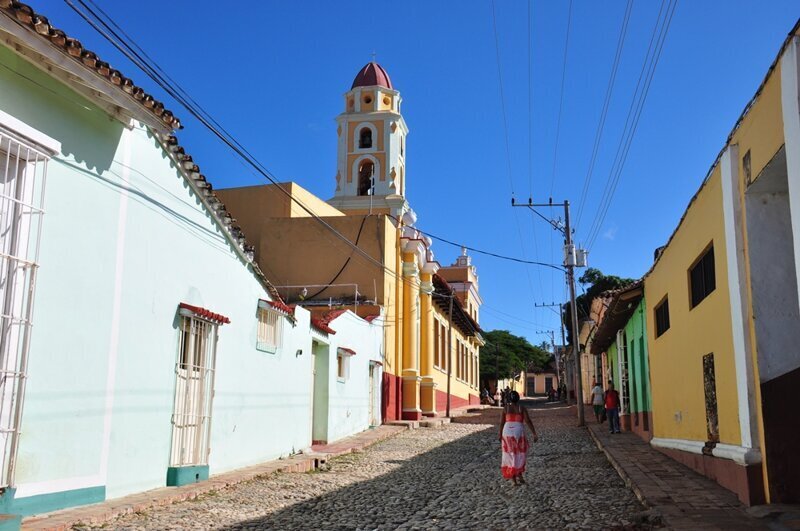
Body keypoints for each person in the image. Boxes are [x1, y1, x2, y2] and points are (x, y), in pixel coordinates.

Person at [498, 390, 538, 485]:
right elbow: (528, 421)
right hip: (518, 433)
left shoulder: (505, 408)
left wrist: (500, 434)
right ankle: (519, 475)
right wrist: (534, 433)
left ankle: (514, 479)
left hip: (507, 432)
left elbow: (502, 423)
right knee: (519, 454)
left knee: (509, 454)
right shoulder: (521, 408)